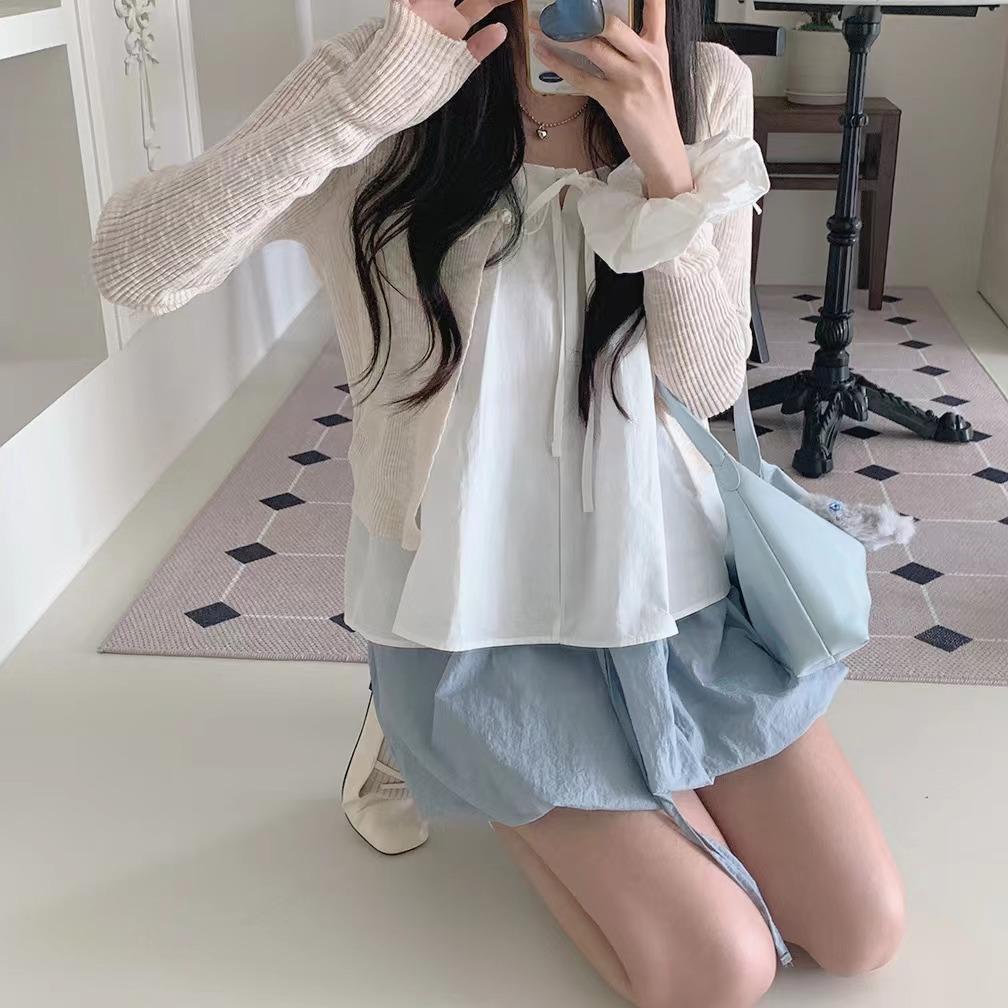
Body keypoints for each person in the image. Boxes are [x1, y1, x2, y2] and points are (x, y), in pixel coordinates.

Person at [89, 2, 905, 1004]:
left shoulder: (703, 85)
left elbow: (701, 382)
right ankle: (476, 766)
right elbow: (133, 267)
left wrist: (664, 160)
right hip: (476, 619)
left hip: (672, 592)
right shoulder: (381, 86)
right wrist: (375, 94)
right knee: (718, 970)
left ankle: (598, 776)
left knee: (861, 933)